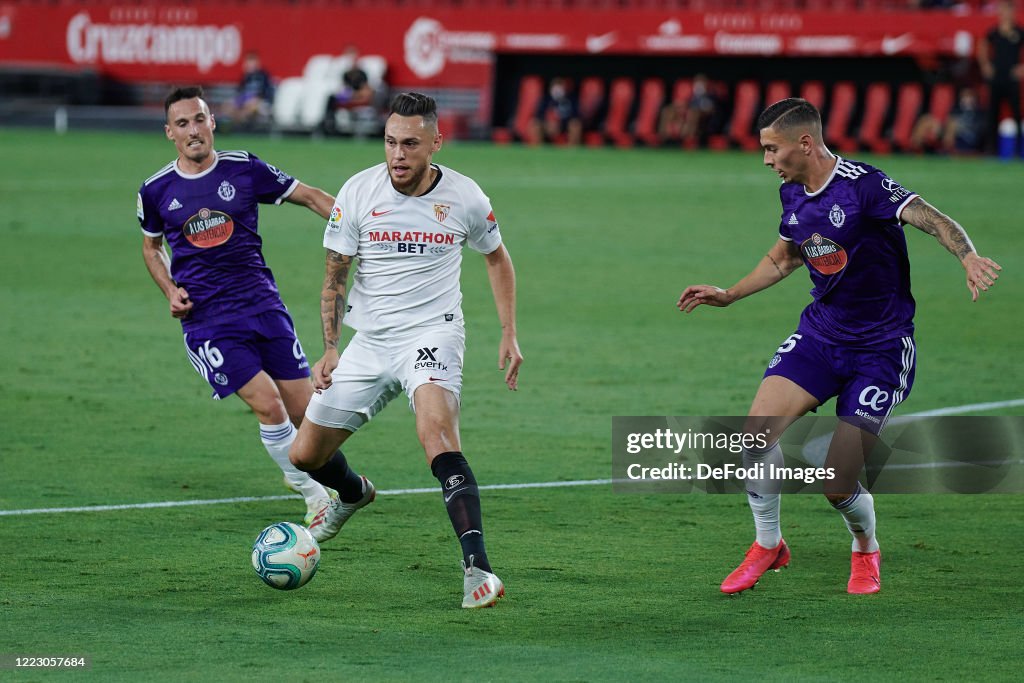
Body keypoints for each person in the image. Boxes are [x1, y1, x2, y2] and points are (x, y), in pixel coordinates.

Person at [677, 98, 1000, 595]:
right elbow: (785, 258)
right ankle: (769, 545)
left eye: (772, 149)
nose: (766, 160)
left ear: (804, 143)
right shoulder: (791, 192)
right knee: (754, 439)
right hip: (821, 336)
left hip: (881, 350)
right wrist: (730, 293)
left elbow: (932, 217)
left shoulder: (863, 186)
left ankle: (865, 548)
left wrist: (968, 256)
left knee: (837, 482)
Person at [288, 92, 523, 609]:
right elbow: (335, 274)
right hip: (370, 341)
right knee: (304, 454)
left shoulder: (463, 197)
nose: (398, 154)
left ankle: (477, 570)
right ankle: (352, 493)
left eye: (410, 144)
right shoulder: (359, 190)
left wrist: (508, 331)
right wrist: (330, 349)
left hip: (432, 333)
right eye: (391, 142)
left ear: (435, 143)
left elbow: (498, 259)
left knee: (435, 433)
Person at [137, 86, 342, 534]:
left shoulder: (244, 168)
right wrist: (170, 289)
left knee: (307, 412)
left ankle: (332, 482)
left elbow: (308, 195)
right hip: (209, 320)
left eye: (200, 119)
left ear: (213, 122)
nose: (194, 130)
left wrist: (354, 227)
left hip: (263, 305)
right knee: (268, 406)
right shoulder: (155, 190)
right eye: (183, 123)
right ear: (170, 132)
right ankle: (312, 495)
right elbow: (151, 248)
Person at [978, 0, 1024, 154]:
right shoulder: (994, 32)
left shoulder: (1018, 32)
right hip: (996, 78)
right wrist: (985, 65)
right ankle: (991, 149)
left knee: (1017, 114)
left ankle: (1019, 148)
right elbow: (982, 45)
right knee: (992, 114)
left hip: (1012, 79)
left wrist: (1022, 68)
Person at [910, 86, 985, 154]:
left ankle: (947, 151)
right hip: (949, 132)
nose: (967, 99)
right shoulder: (956, 109)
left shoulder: (979, 112)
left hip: (967, 137)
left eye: (969, 96)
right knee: (925, 120)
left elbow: (978, 129)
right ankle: (914, 150)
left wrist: (957, 125)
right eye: (964, 96)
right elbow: (947, 121)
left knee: (953, 124)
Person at [227, 51, 274, 130]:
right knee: (228, 106)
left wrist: (255, 100)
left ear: (257, 63)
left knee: (251, 105)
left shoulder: (263, 76)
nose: (249, 64)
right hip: (245, 102)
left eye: (251, 62)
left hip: (261, 103)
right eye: (248, 62)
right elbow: (240, 93)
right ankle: (235, 128)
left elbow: (267, 93)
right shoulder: (245, 77)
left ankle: (241, 127)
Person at [529, 77, 582, 145]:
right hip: (547, 125)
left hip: (563, 126)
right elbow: (538, 115)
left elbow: (575, 116)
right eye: (555, 86)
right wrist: (548, 123)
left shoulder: (570, 100)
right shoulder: (546, 99)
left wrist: (560, 123)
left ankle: (571, 149)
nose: (558, 89)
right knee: (534, 123)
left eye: (560, 86)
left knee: (575, 124)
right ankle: (537, 147)